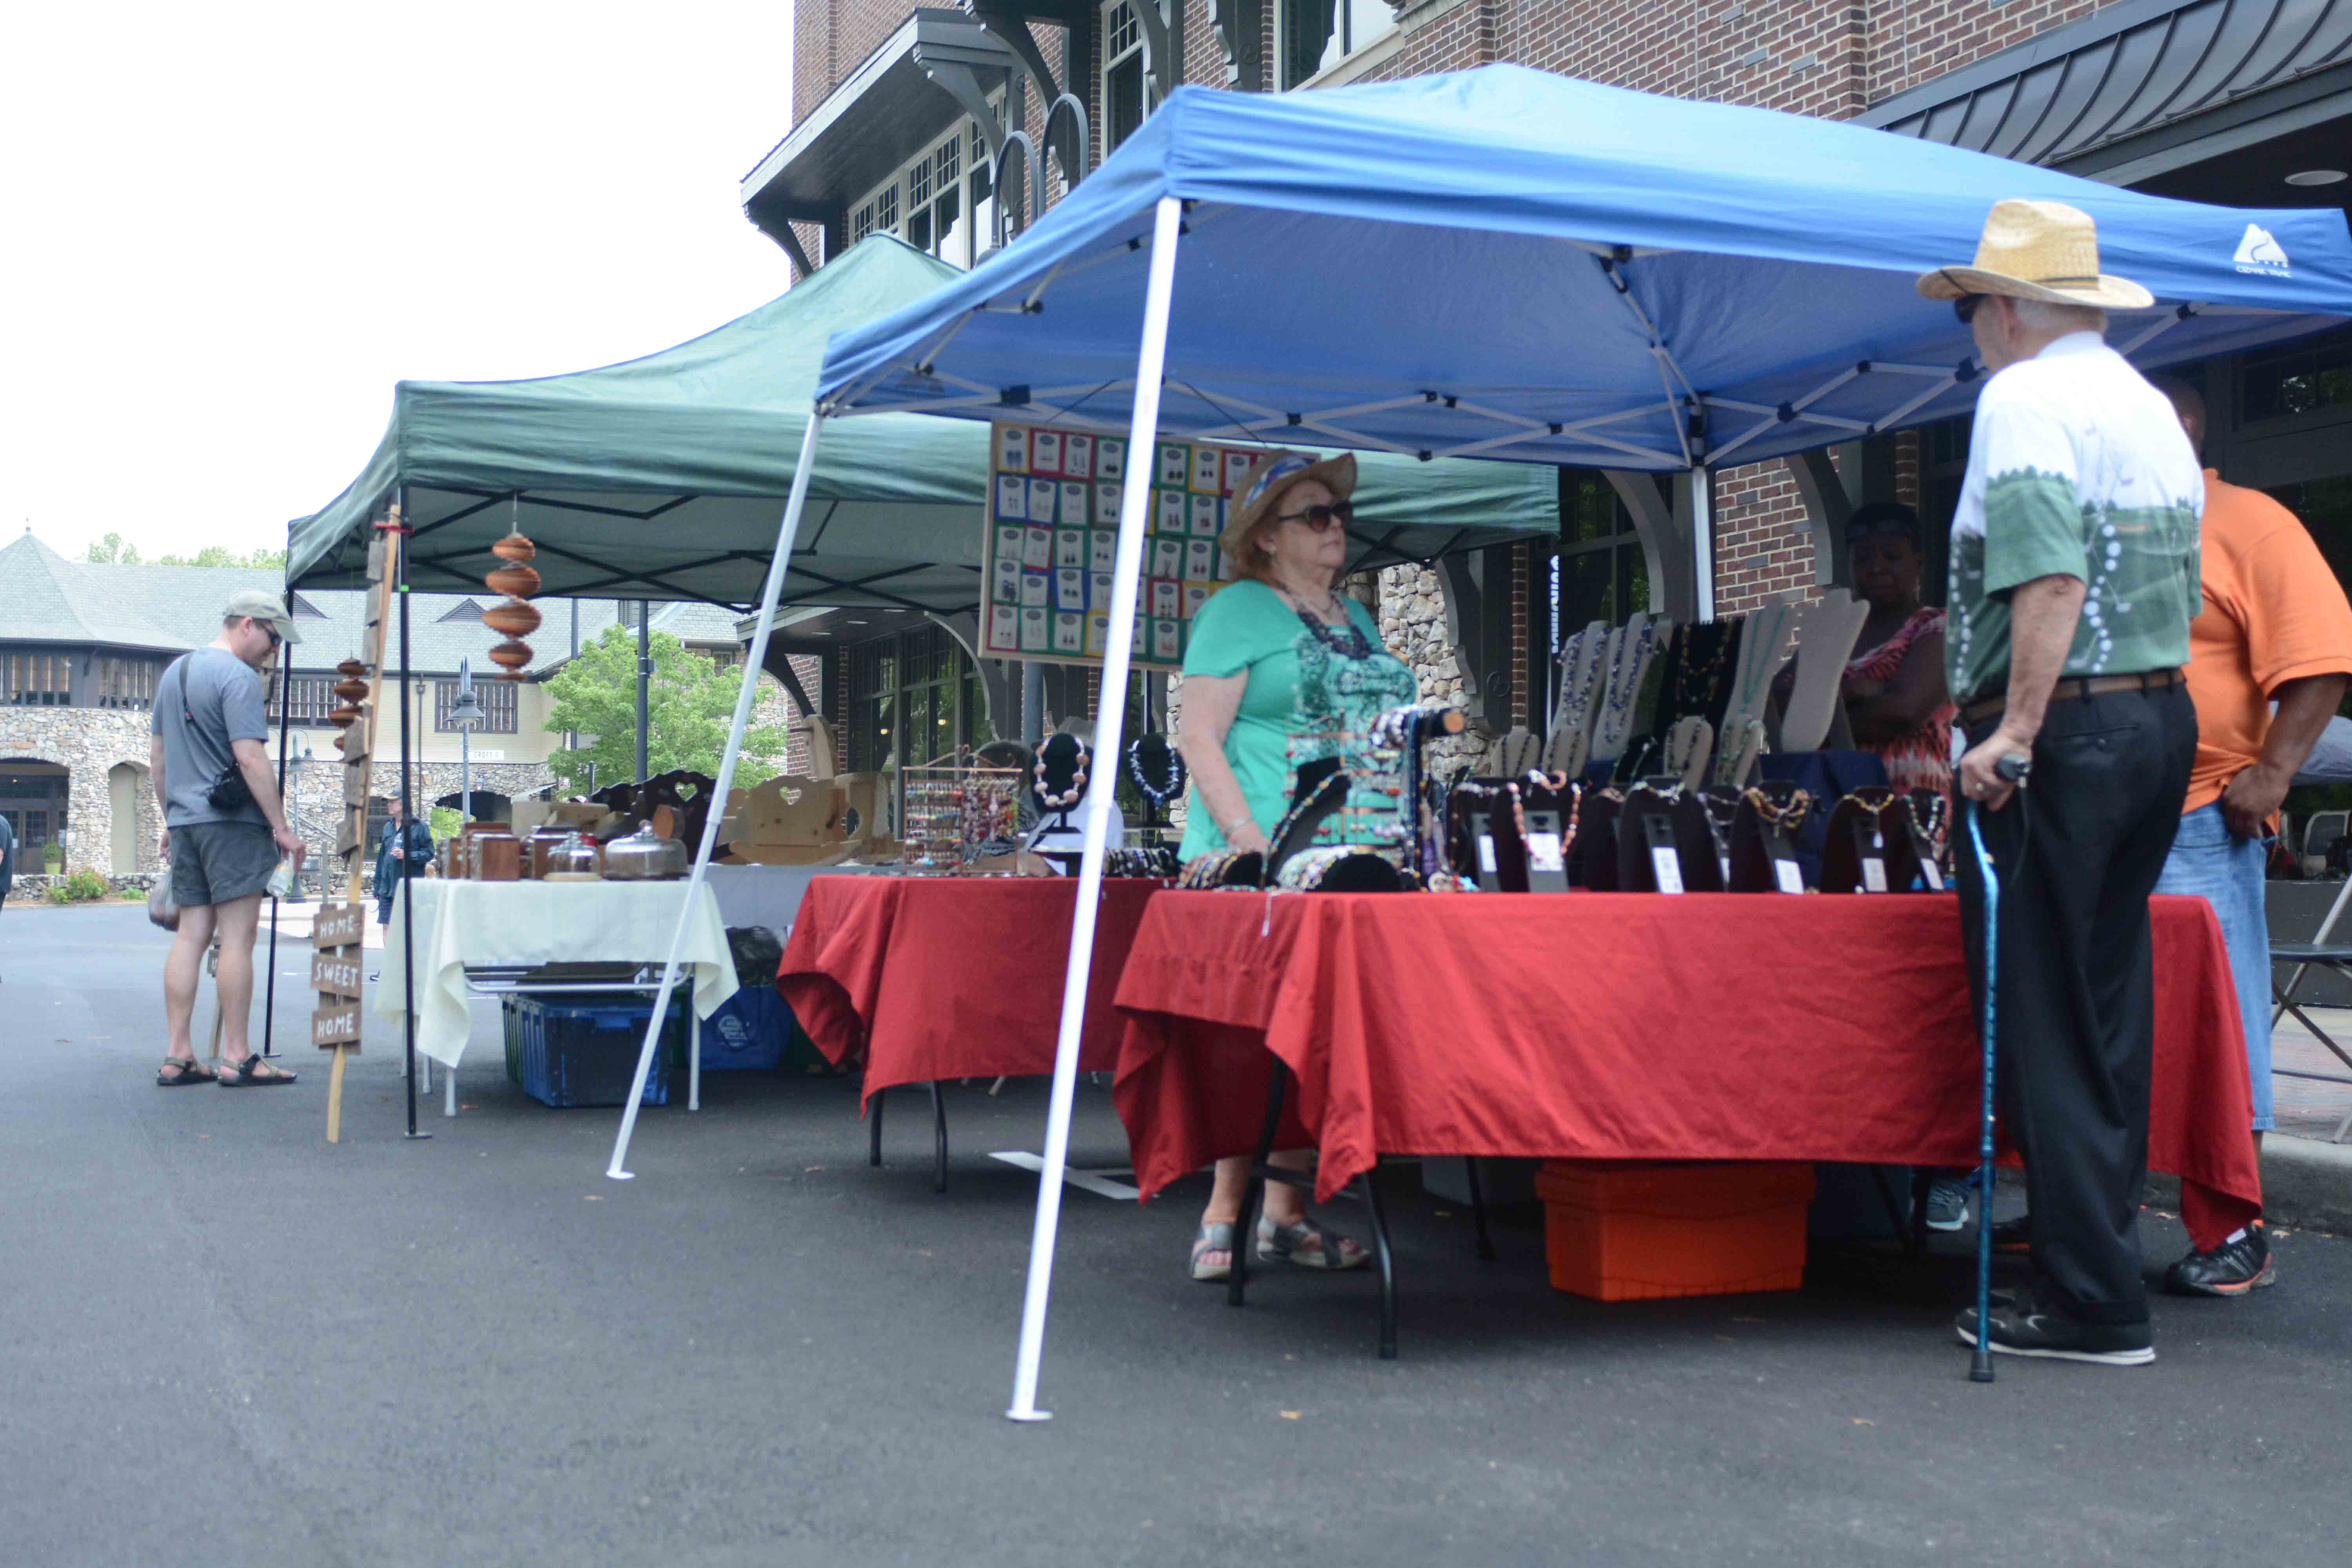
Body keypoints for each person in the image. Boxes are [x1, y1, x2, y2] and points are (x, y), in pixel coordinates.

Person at [1920, 199, 2203, 1365]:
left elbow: (2044, 574)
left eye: (1976, 312)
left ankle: (2090, 1298)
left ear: (2003, 310)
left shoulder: (2021, 395)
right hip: (2151, 717)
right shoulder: (2139, 402)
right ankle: (2093, 1256)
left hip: (2066, 730)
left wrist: (2015, 732)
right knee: (2098, 1006)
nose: (1974, 336)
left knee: (2042, 1010)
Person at [1174, 449, 1417, 1282]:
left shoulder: (1357, 620)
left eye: (1339, 514)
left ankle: (1285, 1212)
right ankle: (1223, 1210)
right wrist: (1245, 838)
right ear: (1268, 538)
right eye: (1314, 515)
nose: (1335, 526)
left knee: (1321, 1028)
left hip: (1353, 849)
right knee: (1252, 1030)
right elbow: (1198, 734)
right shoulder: (1238, 610)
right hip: (1258, 850)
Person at [2144, 377, 2352, 1295]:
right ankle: (2088, 1207)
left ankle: (2234, 1226)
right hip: (2106, 817)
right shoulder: (2104, 529)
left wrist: (2269, 775)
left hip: (2200, 813)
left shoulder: (2245, 518)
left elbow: (2321, 658)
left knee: (2216, 1022)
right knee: (2106, 1018)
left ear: (2183, 425)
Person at [151, 590, 308, 1087]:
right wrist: (282, 827)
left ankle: (178, 1055)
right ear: (247, 624)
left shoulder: (174, 674)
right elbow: (251, 758)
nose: (274, 651)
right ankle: (237, 1057)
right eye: (272, 637)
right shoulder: (238, 677)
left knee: (191, 935)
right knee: (238, 938)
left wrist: (171, 819)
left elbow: (158, 759)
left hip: (186, 824)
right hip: (232, 826)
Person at [373, 796, 433, 927]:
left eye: (392, 802)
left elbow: (429, 853)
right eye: (388, 802)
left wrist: (408, 856)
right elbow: (382, 859)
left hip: (409, 889)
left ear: (404, 804)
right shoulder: (388, 828)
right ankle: (388, 949)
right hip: (387, 889)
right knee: (387, 927)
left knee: (408, 928)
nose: (388, 804)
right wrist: (377, 887)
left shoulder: (420, 826)